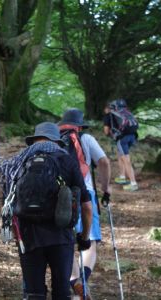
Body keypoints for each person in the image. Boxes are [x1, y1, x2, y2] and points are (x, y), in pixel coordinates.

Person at [0, 122, 92, 299]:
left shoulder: (18, 162)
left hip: (28, 236)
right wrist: (84, 238)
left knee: (33, 293)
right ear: (56, 141)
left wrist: (10, 234)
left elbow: (7, 204)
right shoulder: (67, 161)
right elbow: (87, 206)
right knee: (62, 291)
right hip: (61, 235)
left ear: (34, 139)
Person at [59, 108, 111, 299]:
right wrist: (106, 189)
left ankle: (75, 284)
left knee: (66, 243)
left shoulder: (53, 139)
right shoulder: (86, 139)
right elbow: (104, 162)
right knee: (88, 242)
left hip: (59, 196)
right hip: (84, 193)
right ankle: (83, 280)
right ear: (79, 126)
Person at [103, 100, 138, 191]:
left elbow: (106, 131)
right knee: (120, 154)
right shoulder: (126, 113)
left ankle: (133, 183)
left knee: (126, 159)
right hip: (132, 136)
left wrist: (112, 134)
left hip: (122, 138)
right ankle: (122, 177)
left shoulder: (109, 115)